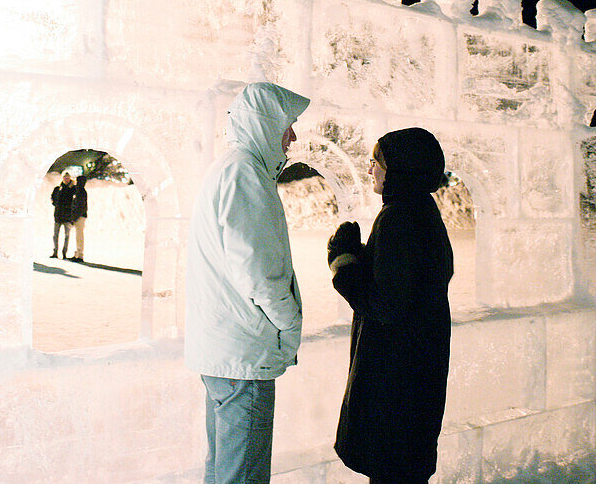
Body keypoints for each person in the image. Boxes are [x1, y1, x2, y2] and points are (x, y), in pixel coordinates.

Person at [185, 81, 310, 484]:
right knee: (242, 477)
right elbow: (257, 269)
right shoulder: (245, 174)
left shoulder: (230, 169)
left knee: (223, 470)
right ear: (265, 123)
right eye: (287, 124)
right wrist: (289, 321)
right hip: (243, 356)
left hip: (225, 351)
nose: (293, 135)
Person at [327, 127, 454, 484]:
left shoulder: (398, 217)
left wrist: (344, 263)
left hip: (394, 383)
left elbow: (386, 304)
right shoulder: (423, 212)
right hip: (416, 375)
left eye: (377, 161)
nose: (371, 170)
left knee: (392, 473)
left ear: (399, 167)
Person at [50, 173, 76, 259]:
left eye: (68, 178)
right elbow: (53, 199)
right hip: (58, 215)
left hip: (68, 216)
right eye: (65, 177)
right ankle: (55, 252)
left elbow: (74, 202)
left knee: (66, 235)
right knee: (55, 235)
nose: (66, 179)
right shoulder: (58, 189)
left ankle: (64, 253)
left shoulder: (73, 189)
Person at [71, 175, 88, 263]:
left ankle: (80, 254)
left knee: (79, 235)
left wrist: (75, 217)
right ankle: (78, 253)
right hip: (79, 216)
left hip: (80, 216)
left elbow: (80, 206)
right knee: (78, 235)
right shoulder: (80, 191)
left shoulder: (80, 192)